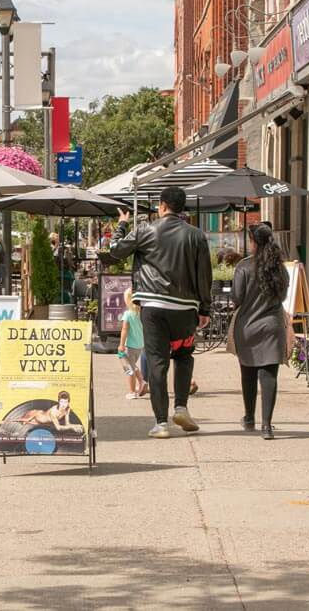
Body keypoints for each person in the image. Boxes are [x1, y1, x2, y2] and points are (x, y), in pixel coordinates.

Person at [110, 186, 212, 439]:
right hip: (185, 308)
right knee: (184, 356)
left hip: (153, 307)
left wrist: (122, 224)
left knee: (157, 363)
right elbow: (204, 275)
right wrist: (205, 307)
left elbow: (115, 250)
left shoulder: (146, 230)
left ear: (163, 206)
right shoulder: (196, 235)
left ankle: (161, 423)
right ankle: (181, 407)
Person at [231, 224, 290, 440]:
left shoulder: (244, 267)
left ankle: (249, 417)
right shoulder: (280, 268)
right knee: (269, 375)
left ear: (253, 242)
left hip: (247, 325)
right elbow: (283, 296)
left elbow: (236, 297)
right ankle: (267, 425)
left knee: (248, 373)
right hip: (272, 326)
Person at [117, 287, 147, 400]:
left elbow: (124, 330)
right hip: (140, 344)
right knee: (132, 365)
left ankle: (132, 391)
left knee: (128, 368)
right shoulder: (142, 313)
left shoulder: (128, 314)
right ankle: (142, 381)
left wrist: (121, 344)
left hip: (129, 345)